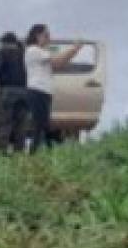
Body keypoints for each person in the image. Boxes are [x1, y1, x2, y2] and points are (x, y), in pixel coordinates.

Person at [24, 24, 85, 152]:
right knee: (39, 126)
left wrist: (74, 51)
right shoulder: (33, 50)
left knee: (43, 125)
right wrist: (75, 48)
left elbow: (59, 64)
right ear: (37, 36)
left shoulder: (41, 52)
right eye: (46, 35)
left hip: (43, 92)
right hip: (37, 91)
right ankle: (34, 154)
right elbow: (57, 60)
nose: (49, 38)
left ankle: (41, 152)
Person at [0, 31, 28, 152]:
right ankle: (19, 153)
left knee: (4, 123)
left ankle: (1, 153)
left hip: (7, 92)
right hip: (23, 92)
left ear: (4, 43)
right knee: (20, 125)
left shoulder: (3, 52)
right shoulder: (23, 54)